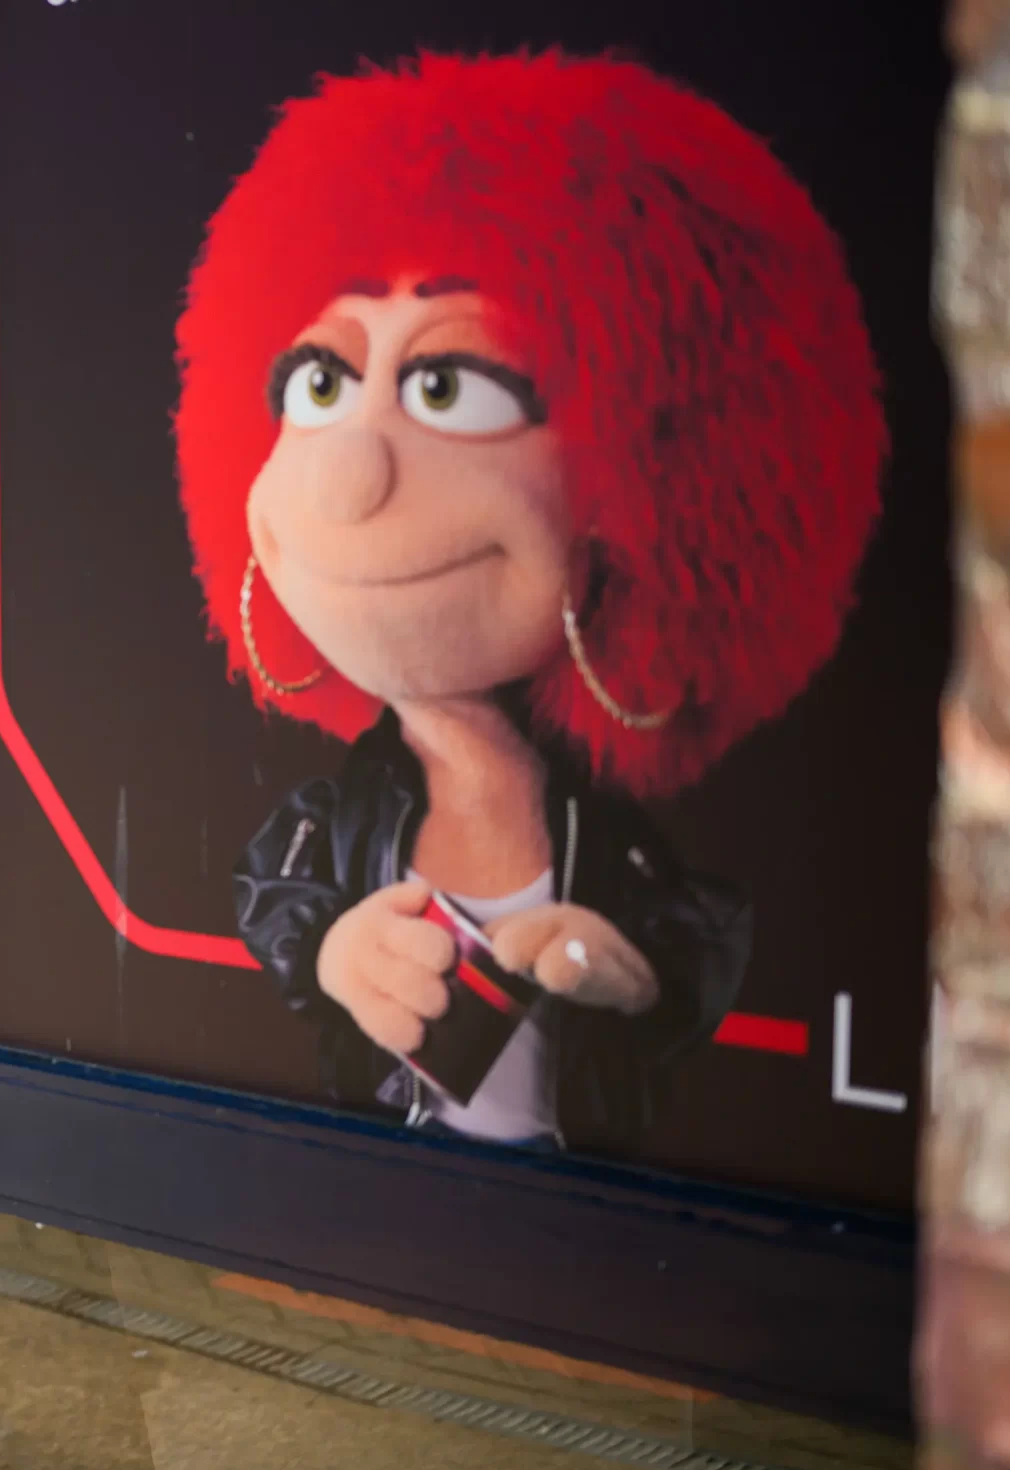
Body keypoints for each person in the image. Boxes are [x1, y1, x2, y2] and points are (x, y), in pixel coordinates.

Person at [177, 53, 888, 1147]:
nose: (345, 471)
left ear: (640, 478)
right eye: (320, 381)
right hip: (379, 1180)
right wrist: (333, 954)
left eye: (446, 385)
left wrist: (626, 977)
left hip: (569, 1196)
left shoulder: (604, 824)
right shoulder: (348, 807)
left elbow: (695, 939)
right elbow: (274, 891)